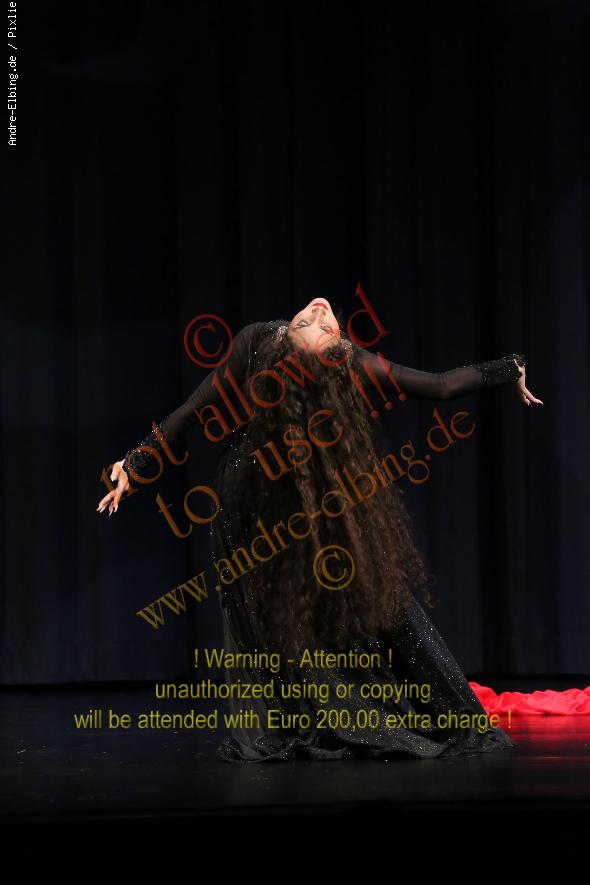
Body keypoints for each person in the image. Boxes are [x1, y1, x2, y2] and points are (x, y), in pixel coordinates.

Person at [97, 297, 543, 762]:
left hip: (300, 498)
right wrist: (137, 463)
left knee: (363, 591)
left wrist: (510, 368)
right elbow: (194, 408)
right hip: (244, 500)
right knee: (261, 614)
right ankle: (290, 716)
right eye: (313, 318)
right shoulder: (256, 339)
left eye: (325, 323)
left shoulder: (344, 357)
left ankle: (366, 708)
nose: (321, 311)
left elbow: (440, 385)